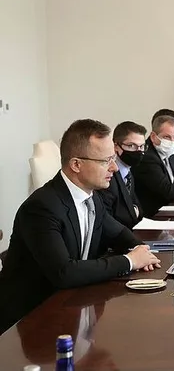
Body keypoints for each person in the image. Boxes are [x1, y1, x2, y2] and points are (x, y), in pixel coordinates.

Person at [0, 119, 161, 335]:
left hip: (74, 305)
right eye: (105, 161)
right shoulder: (41, 207)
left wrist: (141, 250)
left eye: (113, 159)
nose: (114, 168)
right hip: (31, 320)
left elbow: (119, 233)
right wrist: (130, 261)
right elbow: (64, 272)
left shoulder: (91, 197)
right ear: (76, 164)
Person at [99, 121, 146, 229]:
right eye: (131, 146)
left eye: (142, 146)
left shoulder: (128, 173)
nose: (138, 151)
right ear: (116, 146)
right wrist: (132, 212)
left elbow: (138, 210)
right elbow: (112, 219)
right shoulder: (108, 176)